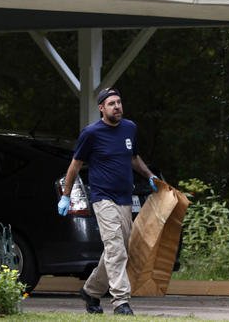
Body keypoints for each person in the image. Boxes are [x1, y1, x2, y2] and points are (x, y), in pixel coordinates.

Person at [57, 87, 158, 316]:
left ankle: (91, 291)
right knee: (115, 248)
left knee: (117, 251)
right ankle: (121, 301)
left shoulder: (130, 128)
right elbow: (75, 165)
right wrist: (65, 195)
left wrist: (149, 175)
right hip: (102, 198)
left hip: (125, 199)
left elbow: (133, 158)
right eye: (111, 103)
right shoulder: (91, 133)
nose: (117, 107)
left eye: (119, 102)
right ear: (102, 108)